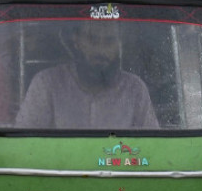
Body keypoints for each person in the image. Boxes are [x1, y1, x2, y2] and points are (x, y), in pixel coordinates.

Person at [14, 21, 158, 130]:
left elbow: (153, 148)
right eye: (92, 40)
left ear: (119, 44)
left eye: (109, 41)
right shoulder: (46, 84)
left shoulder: (135, 89)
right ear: (76, 41)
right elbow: (24, 145)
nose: (101, 51)